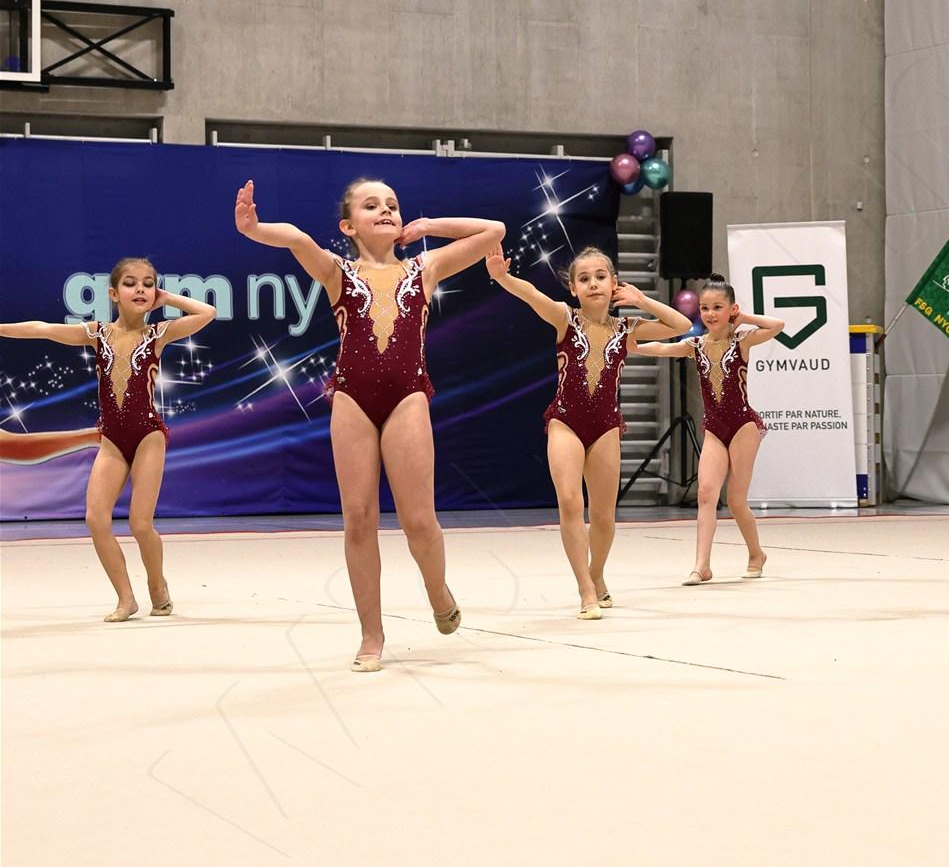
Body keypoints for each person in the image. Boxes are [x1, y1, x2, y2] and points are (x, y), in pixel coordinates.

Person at [235, 177, 504, 670]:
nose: (385, 210)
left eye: (392, 205)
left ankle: (437, 590)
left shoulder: (425, 268)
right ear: (348, 226)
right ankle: (371, 634)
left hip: (408, 398)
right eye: (371, 205)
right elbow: (296, 238)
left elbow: (494, 231)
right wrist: (254, 229)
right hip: (352, 400)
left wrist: (429, 225)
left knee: (418, 520)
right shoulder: (337, 271)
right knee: (358, 519)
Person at [0, 258, 217, 620]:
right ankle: (126, 598)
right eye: (131, 283)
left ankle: (157, 585)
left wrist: (168, 298)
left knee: (140, 524)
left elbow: (207, 312)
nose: (141, 289)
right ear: (114, 294)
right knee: (96, 519)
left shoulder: (158, 334)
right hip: (113, 439)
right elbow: (43, 329)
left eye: (148, 283)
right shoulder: (97, 334)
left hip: (148, 435)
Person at [486, 245, 691, 618]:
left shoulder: (628, 329)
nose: (593, 284)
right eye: (584, 279)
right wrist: (502, 276)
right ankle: (585, 589)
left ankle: (596, 573)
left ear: (614, 283)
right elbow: (531, 294)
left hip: (605, 427)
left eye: (600, 277)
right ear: (573, 288)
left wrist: (642, 299)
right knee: (569, 502)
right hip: (565, 421)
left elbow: (681, 326)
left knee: (604, 516)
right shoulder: (565, 318)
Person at [633, 274, 783, 584]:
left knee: (736, 501)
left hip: (743, 426)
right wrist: (632, 346)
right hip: (714, 428)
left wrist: (744, 318)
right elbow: (662, 348)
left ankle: (756, 553)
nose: (710, 314)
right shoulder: (696, 345)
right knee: (705, 494)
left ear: (732, 310)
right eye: (704, 308)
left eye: (717, 307)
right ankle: (702, 565)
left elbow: (777, 325)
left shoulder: (742, 340)